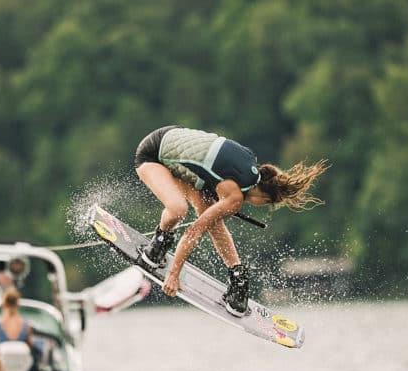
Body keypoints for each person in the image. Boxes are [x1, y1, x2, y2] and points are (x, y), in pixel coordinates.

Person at [134, 125, 327, 316]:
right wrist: (173, 275)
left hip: (174, 148)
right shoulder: (235, 197)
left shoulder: (250, 164)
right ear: (265, 198)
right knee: (178, 210)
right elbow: (193, 232)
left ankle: (238, 277)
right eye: (267, 204)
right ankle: (159, 244)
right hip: (153, 154)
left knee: (212, 218)